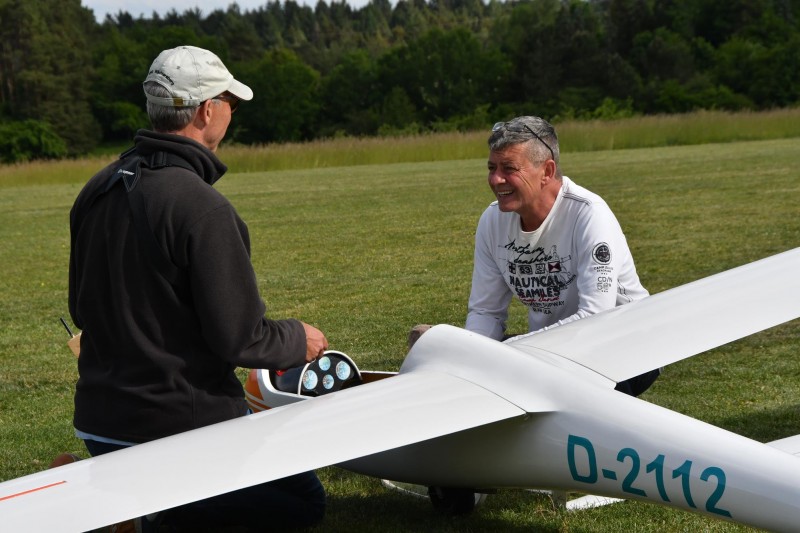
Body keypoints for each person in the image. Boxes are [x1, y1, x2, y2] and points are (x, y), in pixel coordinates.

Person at [68, 45, 326, 531]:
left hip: (98, 424)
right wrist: (300, 338)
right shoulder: (203, 207)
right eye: (231, 102)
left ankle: (112, 495)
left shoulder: (95, 189)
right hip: (178, 429)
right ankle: (140, 518)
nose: (232, 113)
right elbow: (241, 338)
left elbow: (81, 310)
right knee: (302, 502)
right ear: (207, 111)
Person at [464, 116, 658, 396]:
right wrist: (470, 359)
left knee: (555, 394)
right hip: (555, 351)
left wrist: (514, 349)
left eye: (509, 168)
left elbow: (596, 316)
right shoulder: (492, 220)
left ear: (547, 170)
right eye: (492, 168)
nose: (496, 179)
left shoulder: (589, 213)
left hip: (627, 346)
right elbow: (486, 312)